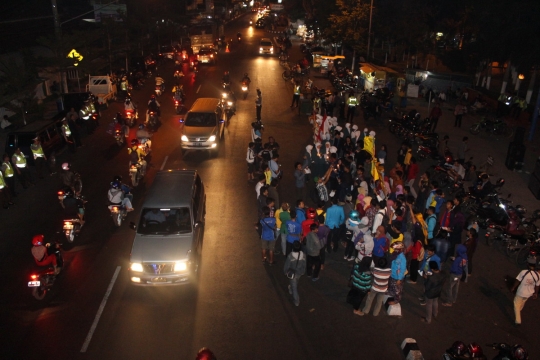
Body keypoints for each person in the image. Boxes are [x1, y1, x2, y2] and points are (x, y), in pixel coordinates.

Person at [510, 257, 539, 326]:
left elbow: (518, 281)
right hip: (529, 293)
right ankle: (518, 311)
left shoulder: (523, 272)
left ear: (528, 264)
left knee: (516, 304)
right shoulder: (538, 275)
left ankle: (518, 321)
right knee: (523, 302)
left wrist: (513, 287)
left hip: (521, 292)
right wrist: (536, 293)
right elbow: (537, 285)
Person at [283, 240, 306, 306]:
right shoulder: (303, 255)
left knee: (294, 288)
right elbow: (304, 265)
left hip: (292, 273)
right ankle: (290, 289)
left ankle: (296, 301)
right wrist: (303, 272)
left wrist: (285, 271)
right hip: (299, 273)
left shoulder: (291, 256)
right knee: (295, 282)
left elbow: (287, 265)